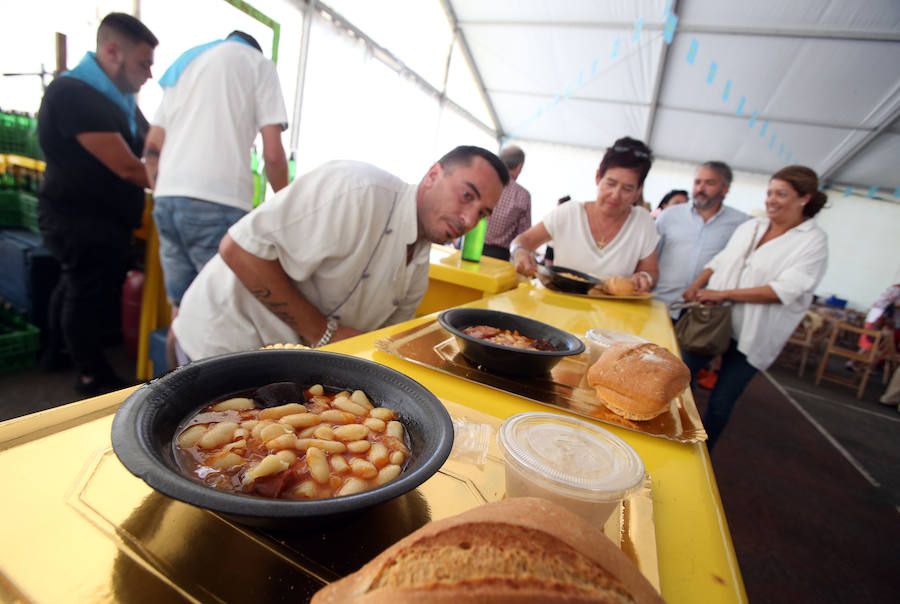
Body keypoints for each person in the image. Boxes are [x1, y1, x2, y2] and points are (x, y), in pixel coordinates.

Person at [171, 146, 508, 362]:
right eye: (467, 195)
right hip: (218, 343)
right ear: (433, 175)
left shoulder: (419, 262)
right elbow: (239, 249)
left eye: (482, 213)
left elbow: (382, 341)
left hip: (276, 367)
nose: (468, 219)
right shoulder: (356, 190)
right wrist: (325, 332)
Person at [142, 30, 290, 366]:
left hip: (167, 200)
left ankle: (168, 398)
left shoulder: (187, 63)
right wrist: (285, 205)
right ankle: (210, 406)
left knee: (182, 310)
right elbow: (273, 155)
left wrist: (163, 189)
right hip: (217, 201)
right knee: (218, 316)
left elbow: (152, 145)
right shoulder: (259, 65)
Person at [37, 12, 158, 395]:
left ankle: (57, 353)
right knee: (84, 292)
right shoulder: (74, 93)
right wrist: (181, 180)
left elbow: (149, 140)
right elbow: (128, 167)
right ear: (111, 51)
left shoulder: (117, 99)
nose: (149, 74)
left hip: (100, 219)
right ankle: (90, 374)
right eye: (143, 63)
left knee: (73, 286)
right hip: (78, 218)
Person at [680, 165, 829, 450]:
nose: (771, 200)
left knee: (722, 401)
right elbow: (721, 261)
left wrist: (723, 293)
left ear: (804, 198)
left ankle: (701, 455)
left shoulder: (813, 241)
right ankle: (667, 433)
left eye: (781, 194)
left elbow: (782, 291)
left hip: (754, 334)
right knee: (679, 376)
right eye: (770, 192)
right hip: (715, 321)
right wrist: (697, 286)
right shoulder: (752, 226)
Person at [510, 137, 659, 292]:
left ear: (638, 192)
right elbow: (523, 240)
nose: (615, 195)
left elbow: (651, 271)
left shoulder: (642, 222)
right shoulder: (569, 213)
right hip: (559, 306)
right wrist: (519, 251)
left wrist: (645, 278)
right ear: (597, 177)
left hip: (612, 313)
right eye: (611, 183)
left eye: (627, 189)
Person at [654, 162, 748, 317]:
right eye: (697, 182)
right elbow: (651, 256)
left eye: (709, 183)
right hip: (660, 305)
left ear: (725, 188)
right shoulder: (669, 216)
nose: (700, 188)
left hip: (704, 313)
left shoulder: (740, 223)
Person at [481, 146, 531, 261]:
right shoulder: (523, 195)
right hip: (499, 257)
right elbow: (523, 235)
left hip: (468, 247)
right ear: (519, 167)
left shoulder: (484, 182)